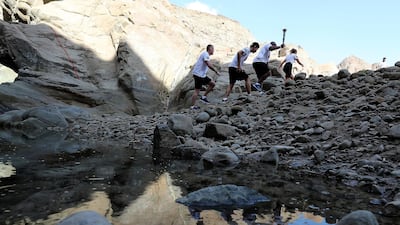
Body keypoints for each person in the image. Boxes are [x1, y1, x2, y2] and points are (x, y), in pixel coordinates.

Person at [191, 44, 220, 109]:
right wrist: (215, 70)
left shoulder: (206, 55)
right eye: (213, 49)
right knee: (197, 91)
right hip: (198, 75)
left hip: (202, 75)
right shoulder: (205, 54)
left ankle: (203, 97)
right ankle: (192, 106)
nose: (213, 50)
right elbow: (208, 64)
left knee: (212, 84)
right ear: (210, 49)